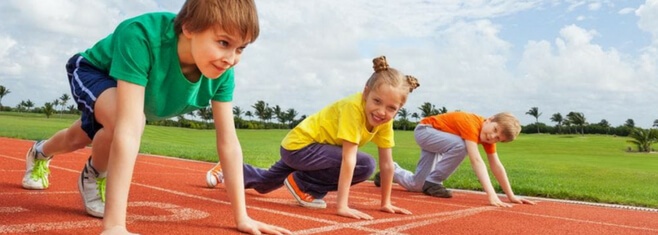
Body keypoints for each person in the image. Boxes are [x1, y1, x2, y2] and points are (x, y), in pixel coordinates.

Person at [21, 0, 291, 234]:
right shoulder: (140, 36)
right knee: (127, 123)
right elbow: (127, 128)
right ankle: (94, 175)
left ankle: (40, 152)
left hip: (128, 102)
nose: (231, 59)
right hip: (96, 71)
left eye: (241, 48)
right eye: (223, 42)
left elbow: (228, 143)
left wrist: (241, 217)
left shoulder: (222, 73)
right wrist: (115, 226)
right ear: (189, 27)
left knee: (77, 137)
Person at [207, 56, 418, 219]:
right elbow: (349, 159)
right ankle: (304, 186)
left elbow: (388, 164)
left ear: (399, 108)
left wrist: (386, 202)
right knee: (365, 165)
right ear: (366, 93)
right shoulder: (354, 108)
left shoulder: (384, 121)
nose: (382, 111)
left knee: (264, 185)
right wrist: (342, 206)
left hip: (313, 152)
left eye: (392, 108)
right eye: (377, 101)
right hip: (301, 147)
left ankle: (228, 169)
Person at [374, 111, 535, 207]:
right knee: (462, 145)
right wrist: (492, 195)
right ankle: (434, 181)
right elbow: (476, 161)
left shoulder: (486, 137)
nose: (493, 137)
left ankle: (390, 171)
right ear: (489, 119)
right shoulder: (471, 123)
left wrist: (511, 195)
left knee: (417, 185)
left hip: (438, 139)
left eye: (498, 138)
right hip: (425, 131)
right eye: (494, 130)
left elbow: (496, 165)